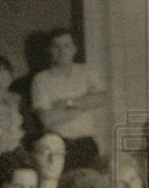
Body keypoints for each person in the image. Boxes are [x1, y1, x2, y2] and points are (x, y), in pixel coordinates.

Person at [30, 29, 107, 170]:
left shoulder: (86, 71)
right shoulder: (41, 79)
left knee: (90, 186)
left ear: (74, 49)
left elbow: (102, 98)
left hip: (86, 144)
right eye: (56, 46)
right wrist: (85, 104)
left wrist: (68, 103)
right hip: (58, 146)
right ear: (49, 50)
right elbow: (46, 118)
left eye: (66, 46)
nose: (62, 51)